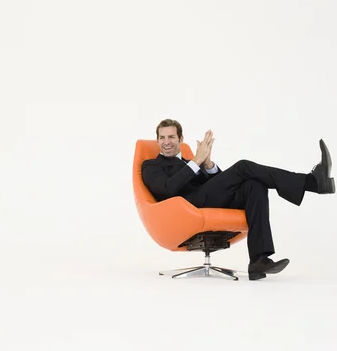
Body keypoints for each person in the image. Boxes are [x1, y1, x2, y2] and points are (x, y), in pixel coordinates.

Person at [141, 119, 335, 280]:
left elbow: (222, 184)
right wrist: (197, 161)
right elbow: (167, 190)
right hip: (187, 207)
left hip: (207, 200)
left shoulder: (189, 162)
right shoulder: (151, 166)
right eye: (162, 138)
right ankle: (312, 183)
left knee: (255, 185)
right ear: (157, 141)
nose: (167, 142)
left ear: (181, 139)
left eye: (171, 137)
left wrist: (208, 164)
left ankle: (258, 260)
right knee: (242, 167)